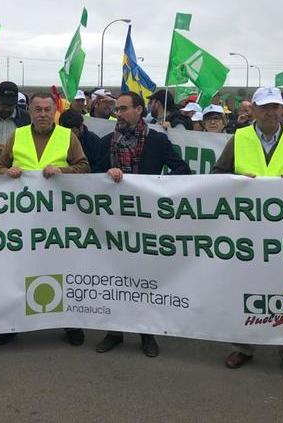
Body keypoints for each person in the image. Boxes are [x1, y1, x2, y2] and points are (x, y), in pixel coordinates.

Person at [212, 87, 283, 376]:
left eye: (275, 107)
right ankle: (243, 346)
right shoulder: (239, 138)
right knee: (247, 288)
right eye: (264, 107)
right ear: (254, 110)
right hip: (246, 232)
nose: (270, 112)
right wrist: (235, 180)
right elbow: (217, 174)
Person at [95, 92, 191, 358]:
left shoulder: (157, 141)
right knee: (114, 275)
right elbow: (92, 178)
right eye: (117, 109)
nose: (119, 113)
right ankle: (114, 331)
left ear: (139, 110)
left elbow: (182, 170)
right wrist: (106, 176)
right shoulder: (106, 143)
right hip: (112, 222)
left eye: (124, 108)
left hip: (146, 221)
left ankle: (147, 333)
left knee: (144, 278)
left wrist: (155, 187)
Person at [0, 93, 89, 347]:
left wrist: (63, 170)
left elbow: (84, 167)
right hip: (21, 220)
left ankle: (70, 323)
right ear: (31, 112)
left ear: (54, 111)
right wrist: (7, 171)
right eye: (38, 109)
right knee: (17, 270)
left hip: (59, 220)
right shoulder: (18, 135)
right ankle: (10, 323)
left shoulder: (68, 136)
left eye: (48, 109)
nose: (43, 114)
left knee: (63, 269)